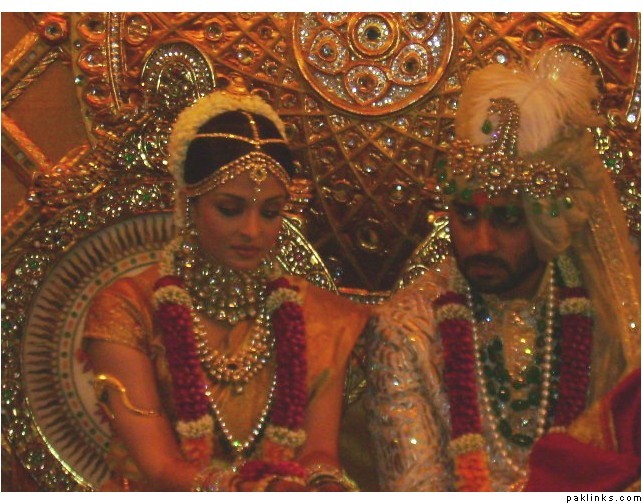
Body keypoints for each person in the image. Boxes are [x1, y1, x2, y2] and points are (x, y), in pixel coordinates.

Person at [365, 50, 640, 491]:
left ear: (546, 222)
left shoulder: (605, 322)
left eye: (508, 219)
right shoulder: (406, 330)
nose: (482, 242)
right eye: (467, 216)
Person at [82, 89, 370, 491]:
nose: (252, 230)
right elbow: (160, 467)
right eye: (230, 210)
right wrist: (250, 490)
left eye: (270, 212)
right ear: (189, 204)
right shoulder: (128, 310)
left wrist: (324, 486)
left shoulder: (319, 318)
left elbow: (319, 454)